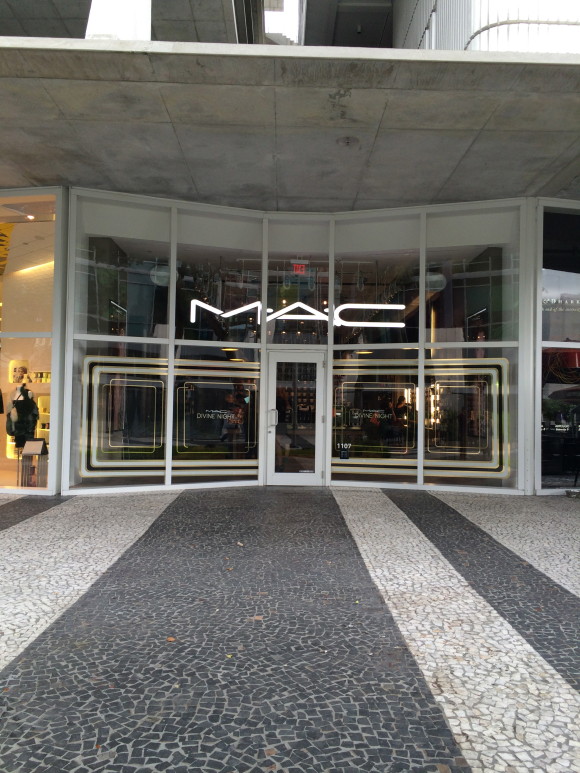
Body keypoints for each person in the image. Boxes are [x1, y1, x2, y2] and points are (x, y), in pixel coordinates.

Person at [7, 383, 39, 449]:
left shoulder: (19, 400)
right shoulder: (30, 403)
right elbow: (34, 417)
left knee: (25, 447)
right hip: (24, 431)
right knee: (26, 447)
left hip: (21, 431)